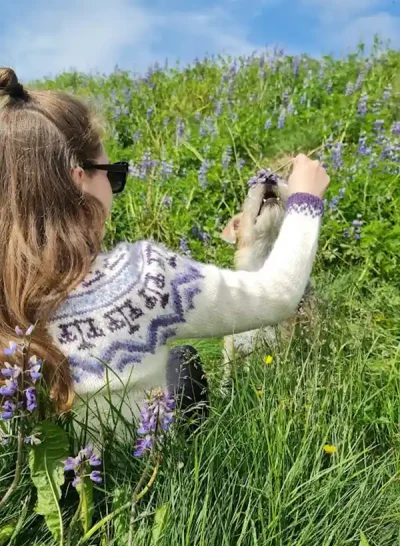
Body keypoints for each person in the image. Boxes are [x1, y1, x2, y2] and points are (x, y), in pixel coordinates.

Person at [0, 67, 330, 436]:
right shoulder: (141, 276)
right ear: (80, 182)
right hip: (140, 481)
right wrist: (305, 201)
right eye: (114, 174)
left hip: (35, 484)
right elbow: (278, 296)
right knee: (184, 363)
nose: (114, 186)